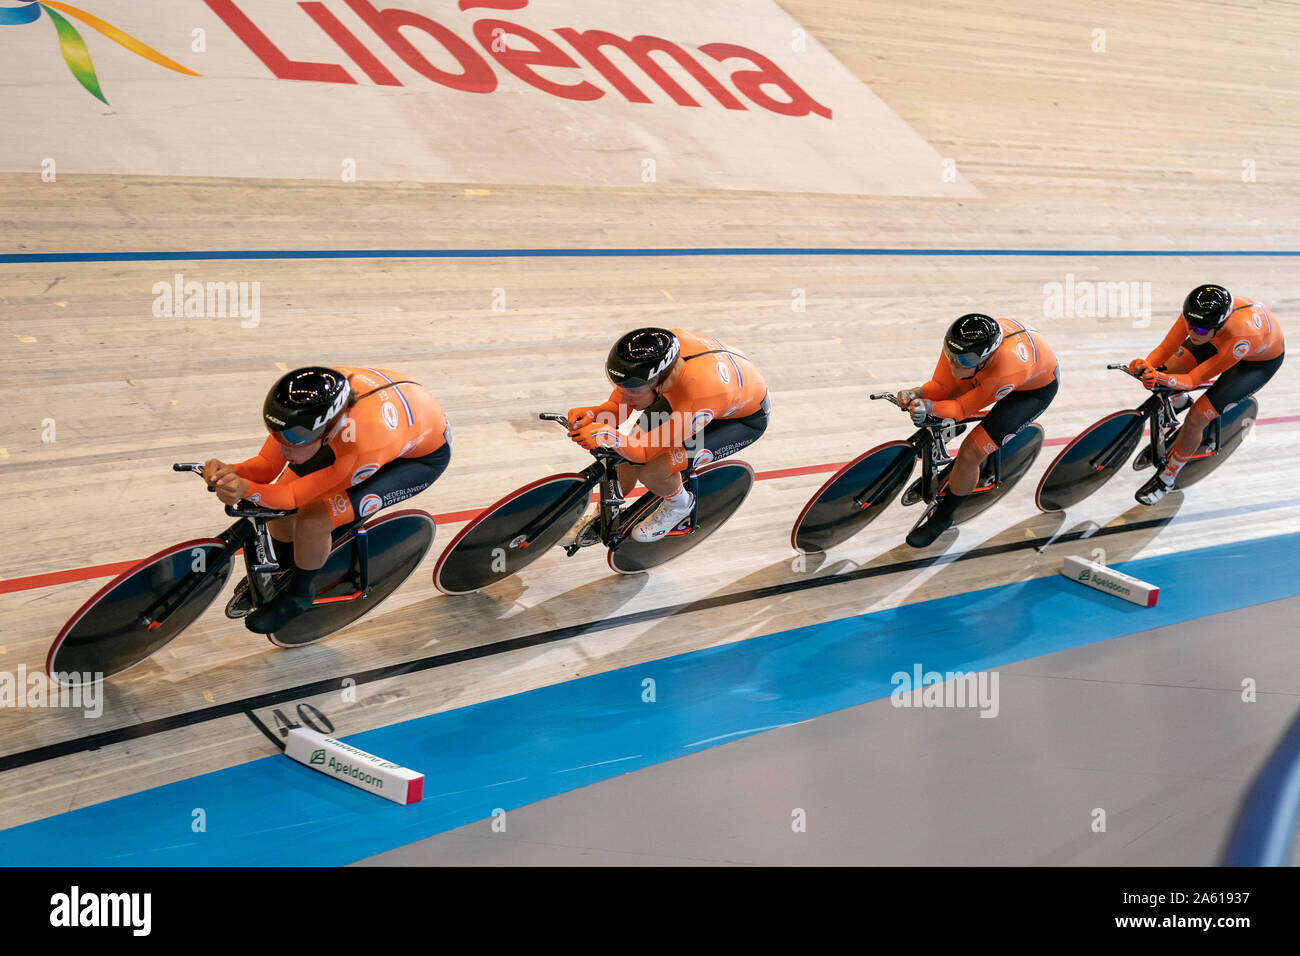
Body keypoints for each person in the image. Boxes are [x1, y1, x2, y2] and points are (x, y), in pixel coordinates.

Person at [203, 366, 451, 634]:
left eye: (294, 440)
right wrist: (231, 471)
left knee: (312, 519)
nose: (285, 449)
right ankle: (284, 572)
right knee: (280, 522)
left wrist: (244, 488)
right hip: (389, 424)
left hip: (416, 459)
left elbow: (291, 497)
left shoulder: (364, 444)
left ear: (328, 430)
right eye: (278, 434)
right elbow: (266, 466)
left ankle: (299, 593)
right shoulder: (304, 411)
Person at [566, 328, 770, 542]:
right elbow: (618, 407)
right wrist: (595, 414)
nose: (625, 394)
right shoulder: (656, 356)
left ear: (659, 381)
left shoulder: (701, 395)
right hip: (696, 395)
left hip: (739, 420)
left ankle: (680, 505)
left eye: (633, 389)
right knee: (624, 458)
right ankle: (605, 515)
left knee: (653, 471)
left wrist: (606, 435)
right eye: (621, 385)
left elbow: (644, 452)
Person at [899, 313, 1060, 547]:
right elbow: (942, 386)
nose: (954, 363)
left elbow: (961, 408)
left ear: (986, 356)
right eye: (951, 355)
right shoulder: (962, 346)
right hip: (998, 368)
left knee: (970, 454)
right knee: (950, 391)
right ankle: (947, 438)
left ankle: (944, 517)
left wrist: (930, 406)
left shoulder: (1006, 370)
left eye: (964, 360)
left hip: (1031, 391)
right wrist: (917, 393)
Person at [1130, 284, 1284, 505]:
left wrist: (1160, 378)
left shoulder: (1241, 335)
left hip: (1255, 365)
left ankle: (1169, 477)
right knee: (1170, 368)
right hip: (1221, 341)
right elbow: (1165, 349)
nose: (1192, 333)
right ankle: (1179, 401)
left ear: (1219, 326)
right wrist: (1147, 364)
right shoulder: (1199, 318)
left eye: (1199, 330)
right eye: (1189, 325)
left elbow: (1194, 379)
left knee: (1197, 418)